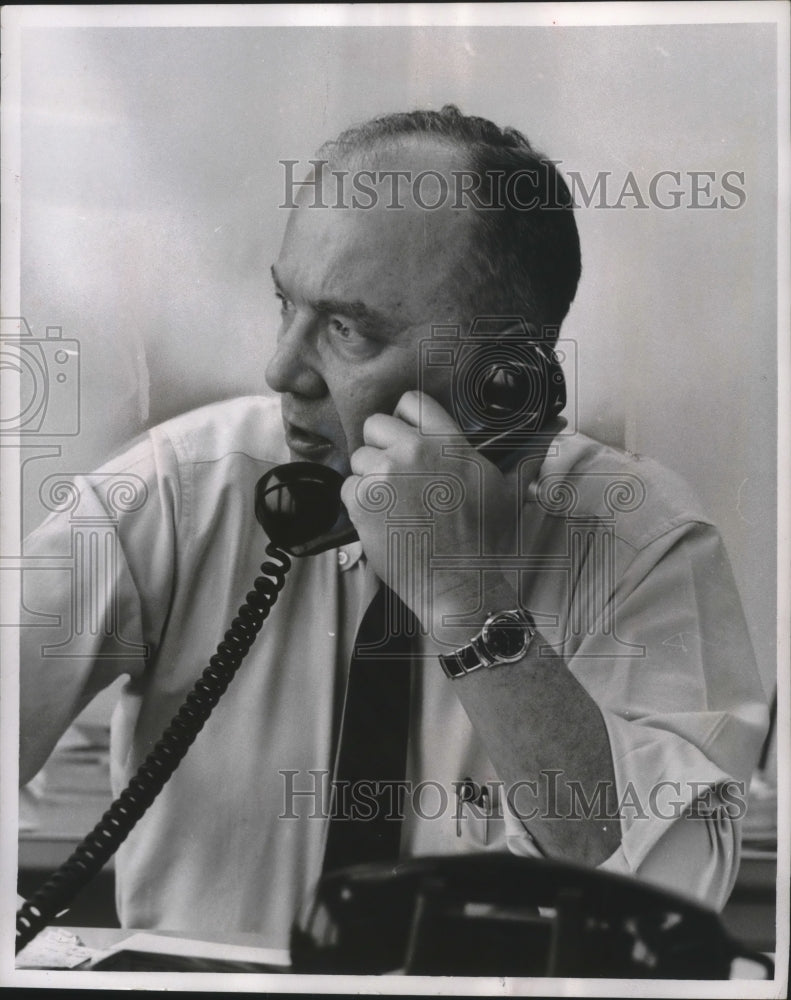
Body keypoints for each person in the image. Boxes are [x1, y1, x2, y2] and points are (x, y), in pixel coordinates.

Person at [19, 106, 768, 951]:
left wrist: (462, 599)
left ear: (502, 380)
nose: (279, 369)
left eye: (346, 329)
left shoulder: (643, 542)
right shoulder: (175, 491)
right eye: (285, 305)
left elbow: (669, 909)